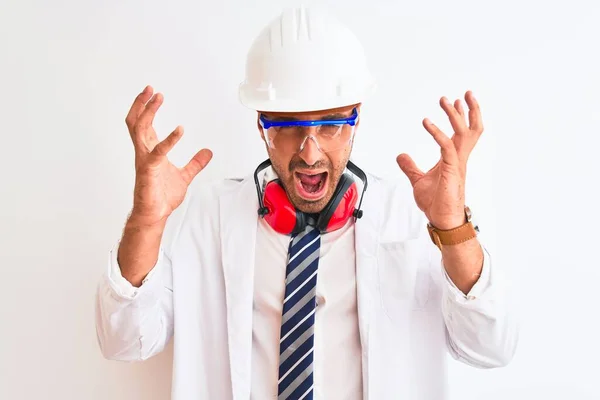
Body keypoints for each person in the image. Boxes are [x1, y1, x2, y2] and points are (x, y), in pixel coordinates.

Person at [95, 5, 518, 400]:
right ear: (261, 124)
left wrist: (451, 226)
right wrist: (147, 220)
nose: (310, 153)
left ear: (356, 117)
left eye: (332, 125)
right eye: (287, 127)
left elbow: (489, 346)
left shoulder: (409, 216)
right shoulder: (210, 215)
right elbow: (126, 339)